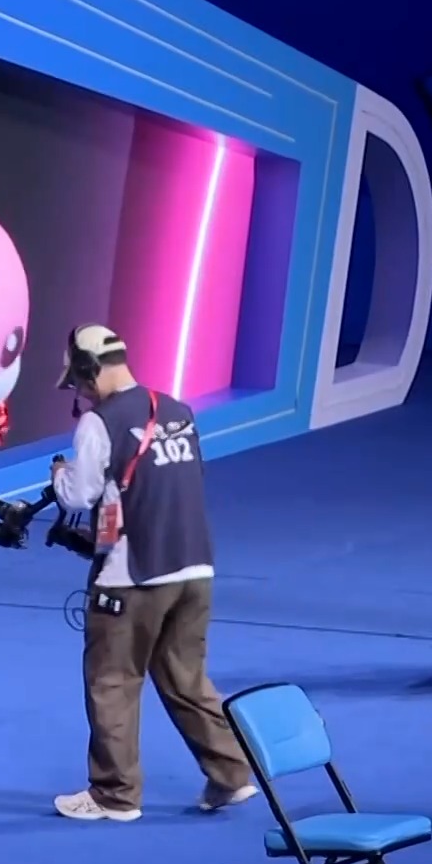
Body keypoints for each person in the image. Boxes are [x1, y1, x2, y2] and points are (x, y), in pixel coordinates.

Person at [47, 324, 256, 822]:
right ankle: (230, 774)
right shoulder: (177, 410)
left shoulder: (99, 422)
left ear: (88, 371)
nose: (80, 394)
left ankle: (114, 795)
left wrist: (59, 474)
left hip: (132, 577)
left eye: (78, 383)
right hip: (194, 568)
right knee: (187, 678)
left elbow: (78, 495)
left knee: (112, 683)